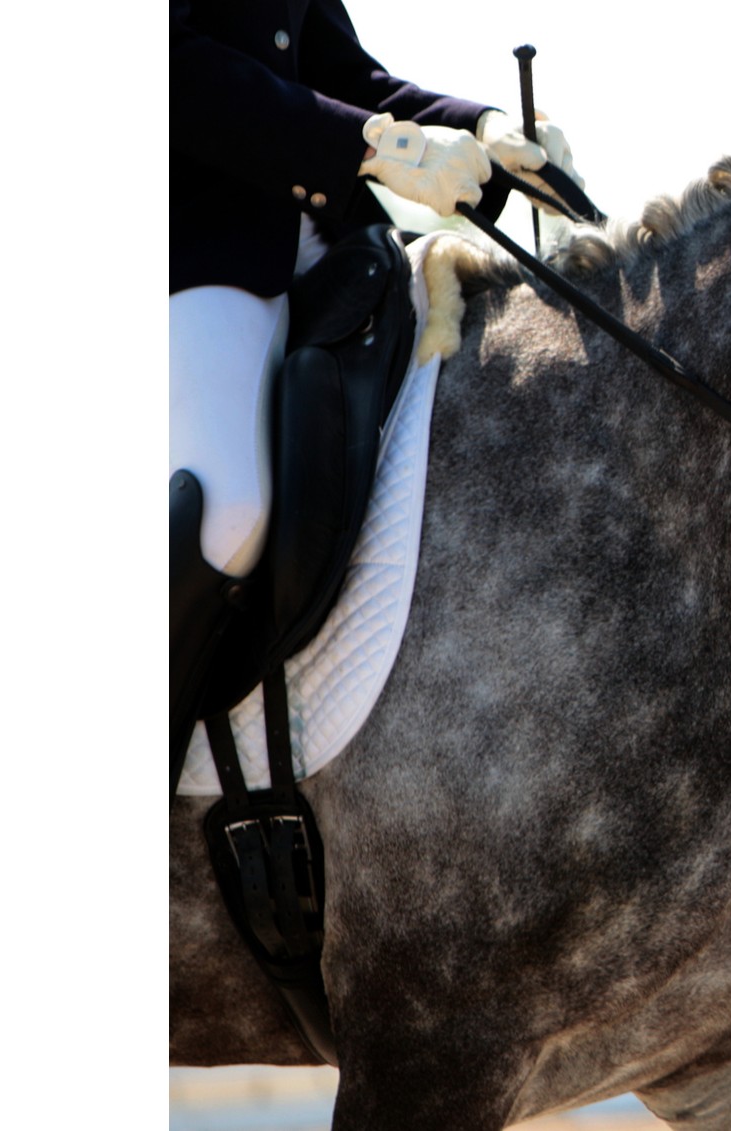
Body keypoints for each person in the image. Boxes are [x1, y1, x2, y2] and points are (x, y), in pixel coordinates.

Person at [172, 0, 575, 761]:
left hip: (334, 254)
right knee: (227, 512)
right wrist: (368, 145)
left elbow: (336, 69)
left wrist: (483, 131)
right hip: (192, 257)